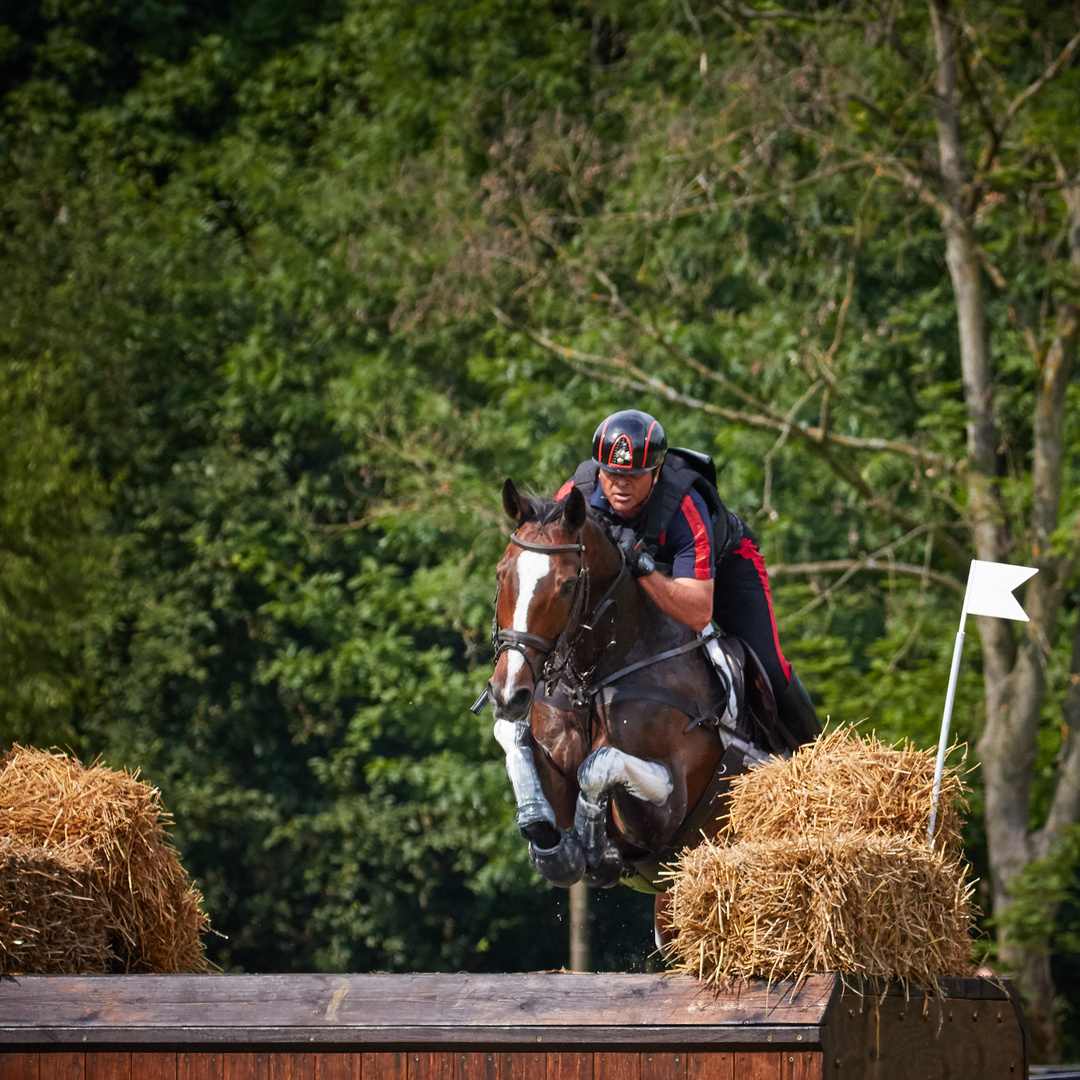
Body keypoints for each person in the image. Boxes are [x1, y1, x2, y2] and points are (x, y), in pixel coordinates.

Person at [555, 408, 820, 748]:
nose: (620, 484)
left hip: (724, 569)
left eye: (634, 475)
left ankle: (818, 757)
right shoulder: (574, 495)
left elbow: (697, 612)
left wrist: (640, 567)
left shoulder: (683, 504)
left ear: (656, 473)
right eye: (611, 473)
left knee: (769, 664)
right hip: (649, 573)